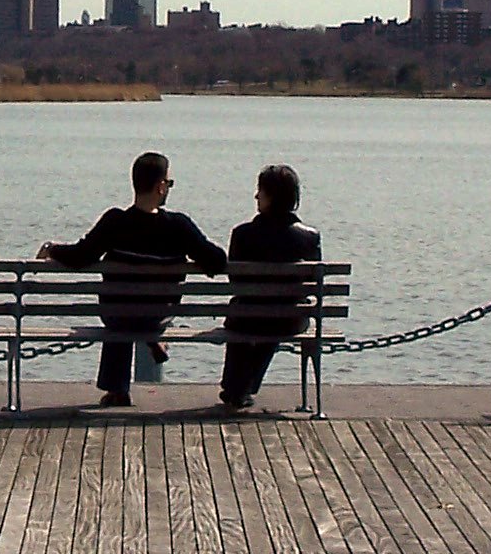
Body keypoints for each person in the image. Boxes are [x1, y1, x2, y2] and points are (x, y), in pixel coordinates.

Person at [41, 150, 225, 407]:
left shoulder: (114, 221)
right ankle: (152, 336)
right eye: (169, 183)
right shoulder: (179, 227)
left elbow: (81, 255)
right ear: (161, 186)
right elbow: (217, 261)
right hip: (157, 315)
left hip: (117, 314)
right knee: (139, 308)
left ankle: (117, 389)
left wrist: (51, 249)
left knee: (120, 307)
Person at [219, 163, 323, 412]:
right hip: (290, 320)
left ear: (271, 196)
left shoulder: (242, 234)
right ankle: (241, 388)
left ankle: (236, 387)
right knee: (276, 312)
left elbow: (236, 283)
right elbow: (311, 285)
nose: (256, 196)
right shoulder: (310, 237)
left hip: (247, 318)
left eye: (261, 191)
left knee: (245, 310)